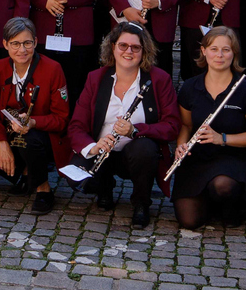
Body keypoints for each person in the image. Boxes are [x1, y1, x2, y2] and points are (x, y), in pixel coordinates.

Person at [68, 22, 179, 227]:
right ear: (113, 48)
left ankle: (141, 203)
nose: (129, 51)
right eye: (123, 46)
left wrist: (136, 130)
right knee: (76, 176)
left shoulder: (158, 79)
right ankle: (104, 187)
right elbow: (76, 126)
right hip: (104, 151)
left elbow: (172, 126)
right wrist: (94, 146)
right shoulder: (96, 78)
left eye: (135, 47)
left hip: (136, 155)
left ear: (144, 51)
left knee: (144, 149)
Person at [170, 26, 246, 230]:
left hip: (233, 157)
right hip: (197, 159)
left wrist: (222, 138)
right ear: (204, 52)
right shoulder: (189, 87)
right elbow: (186, 125)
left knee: (222, 186)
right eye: (214, 49)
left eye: (226, 50)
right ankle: (209, 200)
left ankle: (233, 207)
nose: (220, 55)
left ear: (234, 54)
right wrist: (180, 146)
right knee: (189, 221)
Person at [0, 17, 70, 213]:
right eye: (15, 44)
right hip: (9, 134)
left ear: (35, 42)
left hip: (41, 136)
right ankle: (24, 175)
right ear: (5, 44)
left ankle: (43, 189)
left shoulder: (53, 69)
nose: (22, 50)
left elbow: (62, 118)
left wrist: (33, 122)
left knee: (29, 140)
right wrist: (2, 144)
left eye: (27, 43)